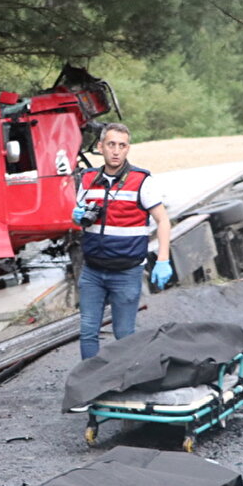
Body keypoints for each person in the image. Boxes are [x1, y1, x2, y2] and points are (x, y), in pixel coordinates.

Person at [72, 123, 172, 360]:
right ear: (100, 147)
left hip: (127, 272)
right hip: (92, 271)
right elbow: (83, 217)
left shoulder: (141, 180)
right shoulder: (86, 180)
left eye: (122, 145)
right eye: (111, 145)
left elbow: (163, 221)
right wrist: (76, 216)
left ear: (128, 149)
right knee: (87, 331)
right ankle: (90, 385)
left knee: (124, 334)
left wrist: (163, 259)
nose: (116, 151)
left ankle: (126, 384)